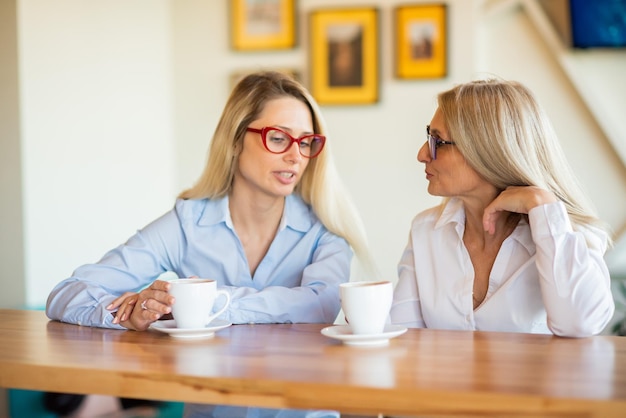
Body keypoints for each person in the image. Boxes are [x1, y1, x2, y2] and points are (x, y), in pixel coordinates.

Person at [46, 71, 370, 418]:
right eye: (278, 138)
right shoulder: (187, 224)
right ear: (234, 140)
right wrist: (126, 315)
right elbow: (67, 292)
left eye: (306, 142)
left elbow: (317, 306)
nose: (296, 156)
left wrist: (205, 305)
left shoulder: (326, 230)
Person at [390, 79, 615, 337]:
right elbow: (403, 336)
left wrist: (541, 205)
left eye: (437, 142)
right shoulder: (426, 230)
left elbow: (581, 324)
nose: (422, 153)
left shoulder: (570, 233)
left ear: (486, 151)